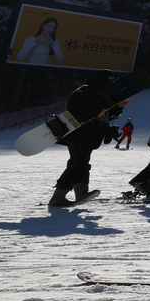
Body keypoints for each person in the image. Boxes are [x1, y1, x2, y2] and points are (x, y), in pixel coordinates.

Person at [49, 71, 128, 207]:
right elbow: (77, 105)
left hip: (92, 133)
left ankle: (58, 197)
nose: (110, 81)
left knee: (77, 163)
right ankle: (81, 193)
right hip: (80, 132)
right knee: (80, 162)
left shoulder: (105, 94)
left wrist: (118, 108)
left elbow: (108, 114)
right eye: (108, 79)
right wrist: (96, 111)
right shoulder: (86, 89)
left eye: (112, 80)